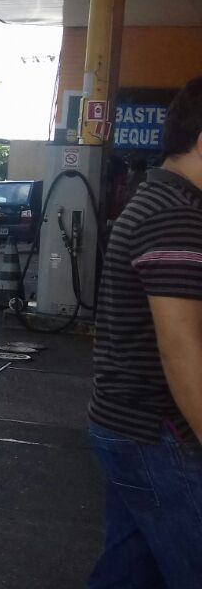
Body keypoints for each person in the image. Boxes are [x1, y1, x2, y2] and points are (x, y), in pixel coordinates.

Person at [86, 76, 202, 587]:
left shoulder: (158, 198)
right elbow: (183, 350)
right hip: (159, 434)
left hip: (129, 425)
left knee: (130, 573)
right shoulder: (175, 215)